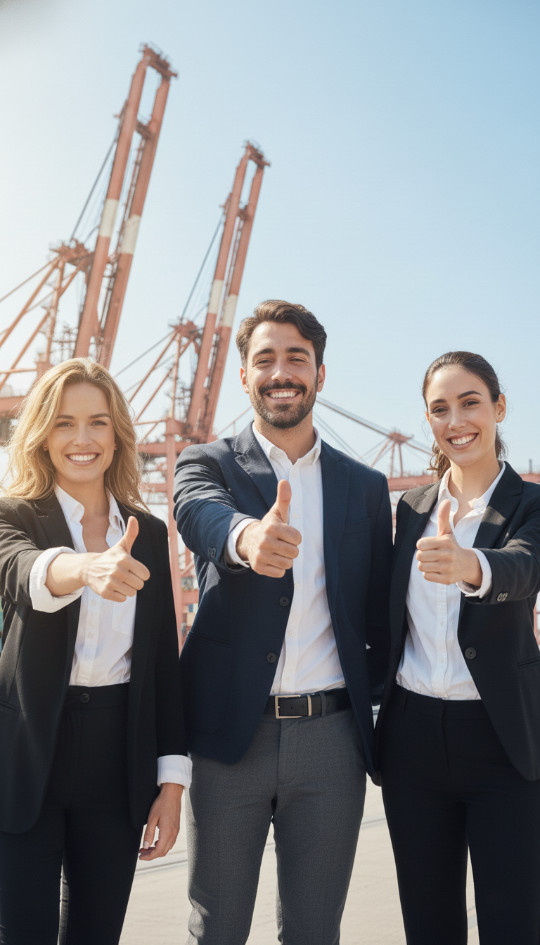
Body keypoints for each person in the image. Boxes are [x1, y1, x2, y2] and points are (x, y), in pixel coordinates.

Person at [174, 299, 392, 945]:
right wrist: (245, 538)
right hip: (227, 741)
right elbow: (199, 513)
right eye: (264, 359)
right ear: (244, 376)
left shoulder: (364, 485)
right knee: (216, 928)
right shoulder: (205, 462)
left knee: (315, 930)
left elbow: (379, 608)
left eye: (296, 357)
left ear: (320, 373)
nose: (281, 371)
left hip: (331, 741)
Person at [0, 358, 190, 945]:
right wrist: (86, 567)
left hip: (118, 762)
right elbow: (23, 572)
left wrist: (172, 786)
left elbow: (162, 663)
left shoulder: (150, 533)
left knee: (97, 934)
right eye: (63, 423)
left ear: (117, 436)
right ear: (41, 436)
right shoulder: (12, 516)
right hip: (25, 757)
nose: (82, 439)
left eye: (97, 423)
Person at [376, 351, 540, 945]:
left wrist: (470, 564)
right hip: (413, 742)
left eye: (470, 402)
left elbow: (524, 568)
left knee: (513, 923)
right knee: (428, 923)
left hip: (503, 741)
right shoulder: (411, 508)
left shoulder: (531, 504)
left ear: (499, 408)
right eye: (439, 409)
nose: (456, 420)